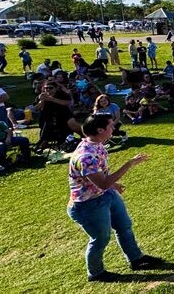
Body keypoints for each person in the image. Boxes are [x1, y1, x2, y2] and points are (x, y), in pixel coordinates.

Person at [66, 115, 162, 282]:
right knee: (100, 239)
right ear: (100, 130)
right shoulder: (86, 156)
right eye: (110, 126)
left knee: (124, 226)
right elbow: (103, 183)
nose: (114, 127)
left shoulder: (97, 144)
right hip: (88, 205)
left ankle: (136, 258)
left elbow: (101, 177)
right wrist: (129, 164)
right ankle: (96, 273)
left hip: (105, 194)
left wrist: (113, 185)